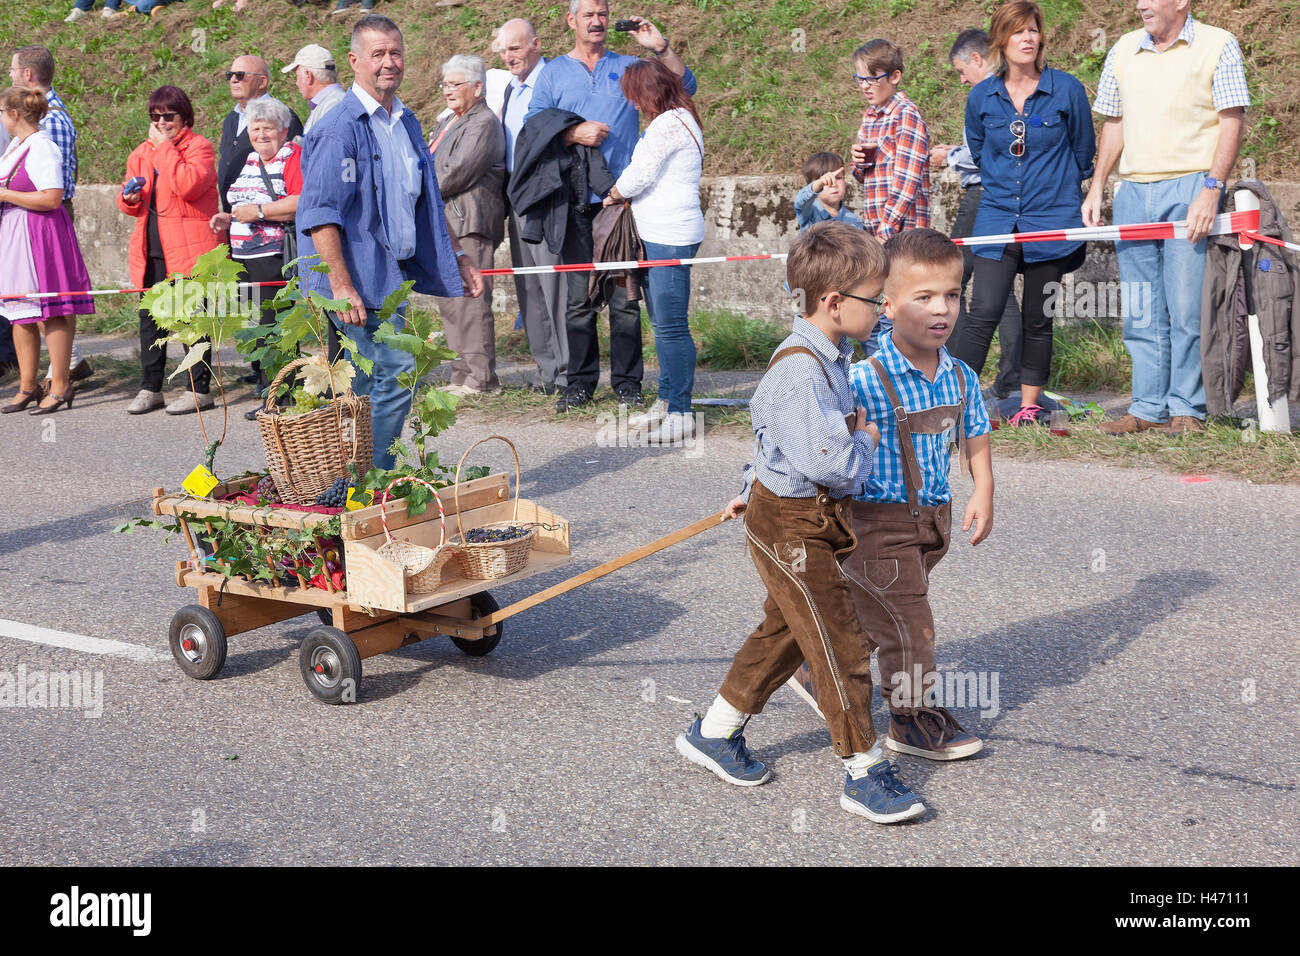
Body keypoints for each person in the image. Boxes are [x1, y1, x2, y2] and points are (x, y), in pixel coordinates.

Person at [678, 222, 933, 824]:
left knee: (787, 630)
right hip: (792, 529)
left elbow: (773, 443)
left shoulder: (830, 357)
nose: (886, 309)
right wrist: (866, 436)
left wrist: (747, 486)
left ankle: (714, 732)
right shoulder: (799, 373)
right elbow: (835, 465)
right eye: (878, 299)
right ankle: (863, 770)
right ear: (834, 302)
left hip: (805, 517)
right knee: (838, 640)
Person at [296, 14, 483, 471]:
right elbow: (321, 214)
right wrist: (340, 285)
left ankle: (350, 483)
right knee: (398, 371)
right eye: (377, 53)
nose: (388, 62)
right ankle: (376, 476)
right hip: (353, 280)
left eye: (395, 52)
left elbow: (428, 198)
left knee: (366, 385)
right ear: (355, 61)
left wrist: (457, 254)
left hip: (389, 277)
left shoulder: (406, 121)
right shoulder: (340, 125)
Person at [845, 228, 994, 762]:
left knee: (875, 613)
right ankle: (909, 720)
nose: (942, 309)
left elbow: (974, 433)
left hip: (932, 520)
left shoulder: (960, 376)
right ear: (886, 305)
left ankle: (814, 668)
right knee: (910, 625)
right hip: (874, 523)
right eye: (924, 297)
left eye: (952, 295)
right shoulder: (860, 379)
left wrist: (983, 491)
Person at [1086, 0, 1248, 437]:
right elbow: (1114, 123)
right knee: (1141, 309)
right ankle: (1146, 406)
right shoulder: (1122, 49)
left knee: (1186, 307)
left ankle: (1187, 406)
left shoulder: (1218, 45)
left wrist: (1211, 189)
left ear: (1181, 2)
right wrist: (1099, 184)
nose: (1140, 5)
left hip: (1191, 188)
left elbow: (1231, 120)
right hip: (1134, 193)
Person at [524, 0, 696, 413]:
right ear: (571, 21)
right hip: (573, 200)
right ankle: (579, 384)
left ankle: (628, 384)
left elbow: (684, 87)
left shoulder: (629, 67)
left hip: (621, 203)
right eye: (588, 14)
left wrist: (660, 47)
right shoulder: (553, 72)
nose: (597, 21)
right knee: (578, 300)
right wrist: (572, 134)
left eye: (602, 13)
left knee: (624, 300)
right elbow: (533, 126)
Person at [948, 1, 1095, 426]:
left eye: (1033, 30)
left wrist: (1056, 190)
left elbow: (1084, 153)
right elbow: (979, 151)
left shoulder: (1066, 89)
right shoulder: (982, 96)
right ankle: (958, 409)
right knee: (984, 312)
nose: (1027, 38)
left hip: (1052, 218)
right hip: (996, 216)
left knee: (1038, 318)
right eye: (1017, 32)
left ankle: (1028, 410)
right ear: (1000, 40)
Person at [603, 59, 703, 443]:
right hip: (663, 233)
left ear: (649, 93)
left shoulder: (668, 124)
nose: (633, 105)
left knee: (672, 326)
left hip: (669, 236)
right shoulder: (680, 118)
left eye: (635, 95)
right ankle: (666, 400)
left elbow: (639, 173)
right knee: (663, 325)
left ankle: (681, 412)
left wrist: (612, 195)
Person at [118, 85, 224, 415]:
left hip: (188, 249)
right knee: (152, 320)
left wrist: (164, 149)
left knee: (192, 319)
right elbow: (129, 199)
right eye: (155, 116)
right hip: (151, 248)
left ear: (184, 116)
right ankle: (150, 387)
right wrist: (129, 198)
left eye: (168, 116)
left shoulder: (199, 147)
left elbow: (188, 185)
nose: (162, 122)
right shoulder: (140, 152)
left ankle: (200, 389)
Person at [931, 29, 1023, 401]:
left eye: (960, 70)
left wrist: (949, 156)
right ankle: (1010, 378)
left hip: (982, 195)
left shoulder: (986, 93)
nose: (961, 79)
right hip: (1004, 195)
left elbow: (983, 154)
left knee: (951, 279)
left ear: (977, 59)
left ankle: (953, 372)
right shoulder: (1015, 89)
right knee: (1001, 290)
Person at [0, 87, 94, 415]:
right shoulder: (18, 145)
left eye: (2, 111)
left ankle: (60, 384)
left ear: (14, 114)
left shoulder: (42, 147)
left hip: (39, 235)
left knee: (52, 309)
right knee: (19, 310)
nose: (0, 118)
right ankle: (28, 385)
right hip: (16, 234)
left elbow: (52, 197)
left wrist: (7, 196)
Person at [208, 97, 302, 419]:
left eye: (268, 129)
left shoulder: (292, 156)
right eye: (255, 128)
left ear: (284, 130)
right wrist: (228, 218)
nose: (261, 135)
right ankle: (268, 391)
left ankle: (282, 396)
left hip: (274, 256)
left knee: (275, 326)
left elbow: (300, 202)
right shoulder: (249, 160)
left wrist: (258, 212)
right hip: (245, 255)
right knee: (258, 326)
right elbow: (242, 207)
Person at [427, 55, 505, 396]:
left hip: (469, 220)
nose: (448, 91)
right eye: (445, 84)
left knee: (472, 301)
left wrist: (417, 190)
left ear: (477, 86)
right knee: (451, 300)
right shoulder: (449, 120)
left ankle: (481, 378)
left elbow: (456, 172)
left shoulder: (483, 121)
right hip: (445, 222)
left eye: (455, 84)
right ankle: (460, 375)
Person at [498, 18, 567, 396]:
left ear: (536, 44)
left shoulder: (551, 79)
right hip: (515, 196)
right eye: (505, 50)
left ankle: (568, 374)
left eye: (516, 48)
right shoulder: (511, 88)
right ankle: (547, 372)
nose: (510, 56)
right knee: (528, 288)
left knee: (553, 283)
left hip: (544, 195)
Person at [849, 38, 931, 353]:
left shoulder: (905, 114)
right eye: (860, 79)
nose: (865, 86)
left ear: (894, 77)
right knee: (879, 313)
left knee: (897, 314)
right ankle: (884, 385)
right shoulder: (870, 117)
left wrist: (885, 232)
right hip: (877, 233)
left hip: (902, 234)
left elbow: (907, 180)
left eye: (872, 78)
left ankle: (902, 386)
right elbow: (864, 177)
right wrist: (857, 165)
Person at [218, 55, 303, 215]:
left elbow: (295, 180)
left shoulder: (282, 117)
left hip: (271, 224)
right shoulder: (231, 119)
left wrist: (260, 212)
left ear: (262, 81)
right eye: (230, 75)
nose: (233, 80)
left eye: (240, 75)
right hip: (236, 219)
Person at [283, 45, 345, 136]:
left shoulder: (333, 106)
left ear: (308, 75)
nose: (296, 83)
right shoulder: (331, 102)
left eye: (297, 76)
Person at [794, 152, 864, 232]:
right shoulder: (810, 212)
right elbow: (800, 203)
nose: (833, 184)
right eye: (825, 181)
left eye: (838, 178)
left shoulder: (853, 221)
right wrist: (818, 185)